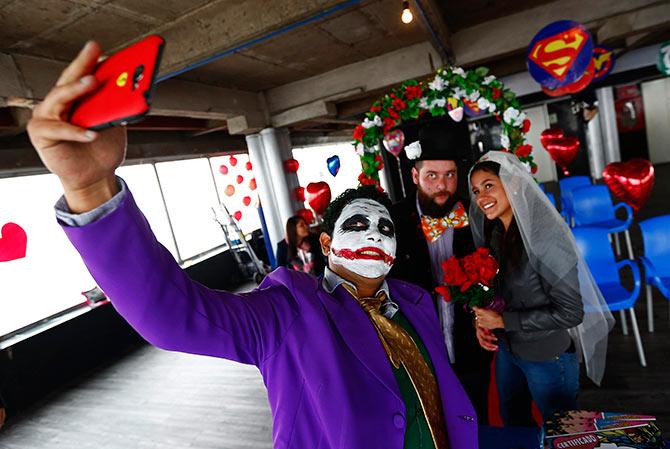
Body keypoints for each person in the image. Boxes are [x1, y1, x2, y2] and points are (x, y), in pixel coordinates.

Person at [27, 41, 478, 449]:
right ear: (325, 241)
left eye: (386, 230)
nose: (375, 235)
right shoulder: (288, 314)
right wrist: (90, 190)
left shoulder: (414, 303)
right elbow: (170, 315)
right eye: (358, 223)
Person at [467, 151, 613, 426]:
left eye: (489, 185)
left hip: (548, 356)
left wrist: (503, 320)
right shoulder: (495, 233)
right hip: (508, 351)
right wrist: (482, 320)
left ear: (515, 184)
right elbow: (497, 291)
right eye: (476, 190)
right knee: (514, 421)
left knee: (561, 430)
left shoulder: (545, 238)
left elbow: (571, 313)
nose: (481, 197)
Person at [390, 121, 493, 424]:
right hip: (419, 354)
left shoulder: (477, 215)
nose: (441, 185)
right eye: (431, 176)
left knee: (477, 423)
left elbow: (495, 276)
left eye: (449, 175)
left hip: (471, 350)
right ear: (414, 176)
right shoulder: (393, 222)